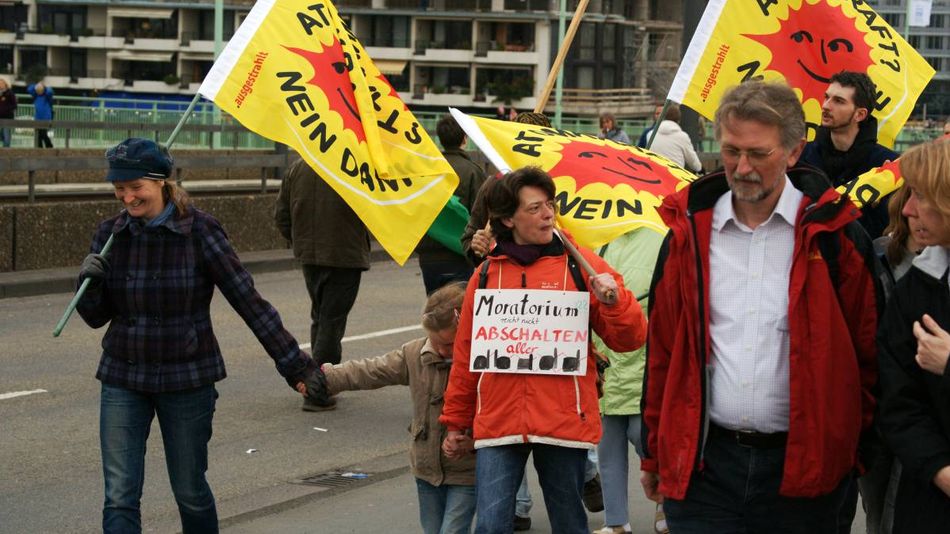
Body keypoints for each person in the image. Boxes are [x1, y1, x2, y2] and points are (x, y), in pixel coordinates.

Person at [640, 80, 880, 534]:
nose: (741, 167)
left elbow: (868, 353)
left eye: (758, 154)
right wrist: (655, 450)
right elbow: (664, 351)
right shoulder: (687, 236)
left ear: (793, 152)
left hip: (805, 475)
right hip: (705, 471)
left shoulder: (837, 238)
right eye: (731, 151)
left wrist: (850, 452)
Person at [75, 138, 329, 534]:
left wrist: (296, 366)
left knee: (190, 490)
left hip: (187, 379)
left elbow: (248, 301)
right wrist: (89, 284)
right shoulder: (111, 234)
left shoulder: (200, 231)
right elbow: (95, 317)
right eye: (119, 189)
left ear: (161, 182)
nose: (127, 197)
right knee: (120, 495)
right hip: (123, 377)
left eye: (135, 187)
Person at [440, 167, 647, 534]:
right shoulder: (486, 274)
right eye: (535, 208)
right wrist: (456, 421)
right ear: (508, 218)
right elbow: (466, 355)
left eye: (549, 205)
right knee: (489, 525)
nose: (548, 214)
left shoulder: (581, 265)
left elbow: (630, 339)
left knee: (568, 522)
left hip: (562, 421)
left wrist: (614, 301)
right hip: (500, 421)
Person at [319, 283, 477, 534]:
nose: (441, 350)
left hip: (467, 470)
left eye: (449, 344)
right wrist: (326, 378)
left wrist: (473, 441)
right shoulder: (414, 353)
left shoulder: (482, 361)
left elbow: (499, 414)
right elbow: (372, 370)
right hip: (426, 467)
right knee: (433, 530)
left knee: (452, 531)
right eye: (435, 342)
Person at [877, 138, 950, 534]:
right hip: (930, 501)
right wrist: (940, 471)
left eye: (919, 195)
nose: (906, 209)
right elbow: (899, 400)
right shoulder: (914, 290)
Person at [275, 156, 370, 411]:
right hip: (344, 254)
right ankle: (319, 387)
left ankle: (316, 374)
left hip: (309, 253)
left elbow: (282, 215)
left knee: (320, 316)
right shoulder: (353, 164)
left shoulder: (297, 167)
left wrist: (300, 241)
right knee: (331, 320)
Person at [591, 227, 666, 534]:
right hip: (609, 362)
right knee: (607, 450)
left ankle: (666, 508)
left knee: (648, 443)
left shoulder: (662, 236)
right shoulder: (598, 240)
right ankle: (616, 522)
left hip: (644, 361)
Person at [800, 71, 899, 238]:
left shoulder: (886, 164)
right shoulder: (801, 156)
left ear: (860, 114)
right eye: (827, 97)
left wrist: (882, 199)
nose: (826, 106)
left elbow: (891, 230)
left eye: (838, 101)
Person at [415, 115, 487, 294]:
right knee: (459, 312)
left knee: (435, 311)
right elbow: (481, 214)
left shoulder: (427, 170)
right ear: (464, 138)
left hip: (428, 255)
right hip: (459, 254)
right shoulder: (472, 171)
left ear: (439, 138)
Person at [646, 103, 703, 173]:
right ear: (679, 119)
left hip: (654, 175)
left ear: (664, 116)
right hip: (675, 176)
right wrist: (700, 168)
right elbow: (693, 162)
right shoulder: (682, 137)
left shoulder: (650, 134)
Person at [26, 81, 53, 148]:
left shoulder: (47, 96)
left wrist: (44, 86)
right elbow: (29, 89)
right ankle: (39, 148)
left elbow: (50, 92)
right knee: (38, 135)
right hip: (37, 117)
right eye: (38, 90)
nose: (39, 91)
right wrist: (36, 85)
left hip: (46, 118)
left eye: (40, 90)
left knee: (43, 133)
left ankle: (49, 146)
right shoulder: (35, 96)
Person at [0, 78, 16, 147]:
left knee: (6, 137)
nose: (0, 85)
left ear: (5, 84)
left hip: (7, 117)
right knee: (2, 134)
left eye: (2, 83)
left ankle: (6, 150)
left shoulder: (10, 93)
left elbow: (14, 105)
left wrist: (6, 110)